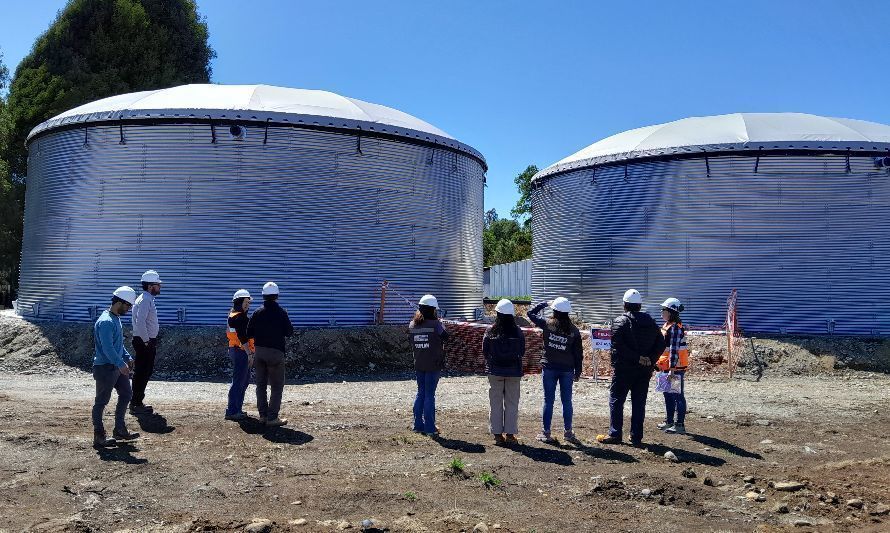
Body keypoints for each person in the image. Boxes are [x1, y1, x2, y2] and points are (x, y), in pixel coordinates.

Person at [597, 289, 666, 446]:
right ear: (640, 305)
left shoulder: (619, 321)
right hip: (644, 370)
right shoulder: (651, 322)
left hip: (624, 369)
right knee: (639, 402)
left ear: (624, 305)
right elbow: (661, 343)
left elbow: (617, 346)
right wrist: (650, 359)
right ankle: (636, 437)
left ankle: (615, 434)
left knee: (616, 400)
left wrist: (638, 358)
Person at [527, 297, 583, 444]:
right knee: (567, 401)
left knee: (548, 401)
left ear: (554, 311)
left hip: (550, 368)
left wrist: (544, 303)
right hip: (567, 369)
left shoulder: (547, 324)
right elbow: (578, 353)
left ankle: (546, 432)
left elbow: (530, 313)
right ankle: (568, 432)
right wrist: (578, 372)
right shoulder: (574, 331)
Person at [92, 286, 140, 447]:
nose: (129, 309)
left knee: (126, 394)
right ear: (119, 302)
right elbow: (107, 348)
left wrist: (127, 357)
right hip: (106, 367)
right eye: (128, 305)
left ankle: (119, 429)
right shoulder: (106, 322)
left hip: (116, 366)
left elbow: (117, 345)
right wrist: (121, 364)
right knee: (101, 402)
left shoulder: (115, 318)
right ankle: (99, 436)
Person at [246, 282, 294, 427]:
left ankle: (263, 416)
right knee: (277, 386)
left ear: (263, 295)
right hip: (276, 353)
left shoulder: (257, 313)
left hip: (259, 352)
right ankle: (272, 418)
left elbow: (249, 332)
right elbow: (289, 332)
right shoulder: (282, 313)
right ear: (277, 295)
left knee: (260, 385)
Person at [482, 299, 526, 445]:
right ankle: (510, 435)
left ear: (498, 314)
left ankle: (497, 435)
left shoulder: (490, 331)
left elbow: (485, 351)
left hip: (495, 372)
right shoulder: (518, 332)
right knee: (512, 403)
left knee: (495, 403)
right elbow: (522, 351)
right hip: (513, 372)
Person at [409, 294, 449, 436]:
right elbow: (446, 337)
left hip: (419, 363)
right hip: (433, 364)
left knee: (421, 393)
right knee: (429, 395)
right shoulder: (436, 324)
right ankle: (430, 428)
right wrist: (441, 323)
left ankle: (418, 425)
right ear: (433, 310)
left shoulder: (413, 324)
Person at [130, 269, 162, 414]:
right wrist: (146, 341)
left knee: (144, 371)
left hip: (145, 340)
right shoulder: (145, 300)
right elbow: (140, 321)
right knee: (142, 372)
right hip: (144, 342)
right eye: (157, 285)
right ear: (150, 286)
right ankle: (136, 403)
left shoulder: (146, 298)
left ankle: (137, 401)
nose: (159, 287)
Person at [656, 297, 689, 435]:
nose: (661, 312)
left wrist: (672, 370)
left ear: (670, 312)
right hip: (666, 366)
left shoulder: (675, 328)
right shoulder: (668, 325)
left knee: (676, 395)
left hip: (674, 368)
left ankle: (679, 424)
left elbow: (674, 349)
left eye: (664, 309)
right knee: (667, 394)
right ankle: (669, 421)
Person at [225, 289, 255, 421]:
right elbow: (243, 337)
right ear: (239, 302)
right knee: (239, 381)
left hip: (237, 349)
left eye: (248, 302)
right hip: (241, 350)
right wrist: (249, 353)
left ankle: (237, 409)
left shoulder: (233, 314)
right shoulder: (239, 317)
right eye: (245, 302)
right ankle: (232, 411)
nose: (247, 304)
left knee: (243, 381)